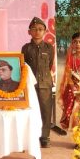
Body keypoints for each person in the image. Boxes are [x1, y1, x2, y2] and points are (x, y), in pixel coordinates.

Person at [21, 17, 54, 148]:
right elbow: (23, 66)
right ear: (29, 32)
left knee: (45, 110)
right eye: (34, 29)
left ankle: (44, 137)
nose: (37, 32)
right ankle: (31, 135)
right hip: (29, 84)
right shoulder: (26, 48)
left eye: (40, 29)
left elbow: (50, 64)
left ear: (45, 31)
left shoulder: (49, 47)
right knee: (30, 110)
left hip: (45, 83)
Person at [59, 32, 80, 148]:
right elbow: (68, 75)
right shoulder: (70, 57)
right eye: (74, 42)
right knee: (75, 115)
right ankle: (79, 140)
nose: (77, 44)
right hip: (73, 91)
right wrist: (74, 89)